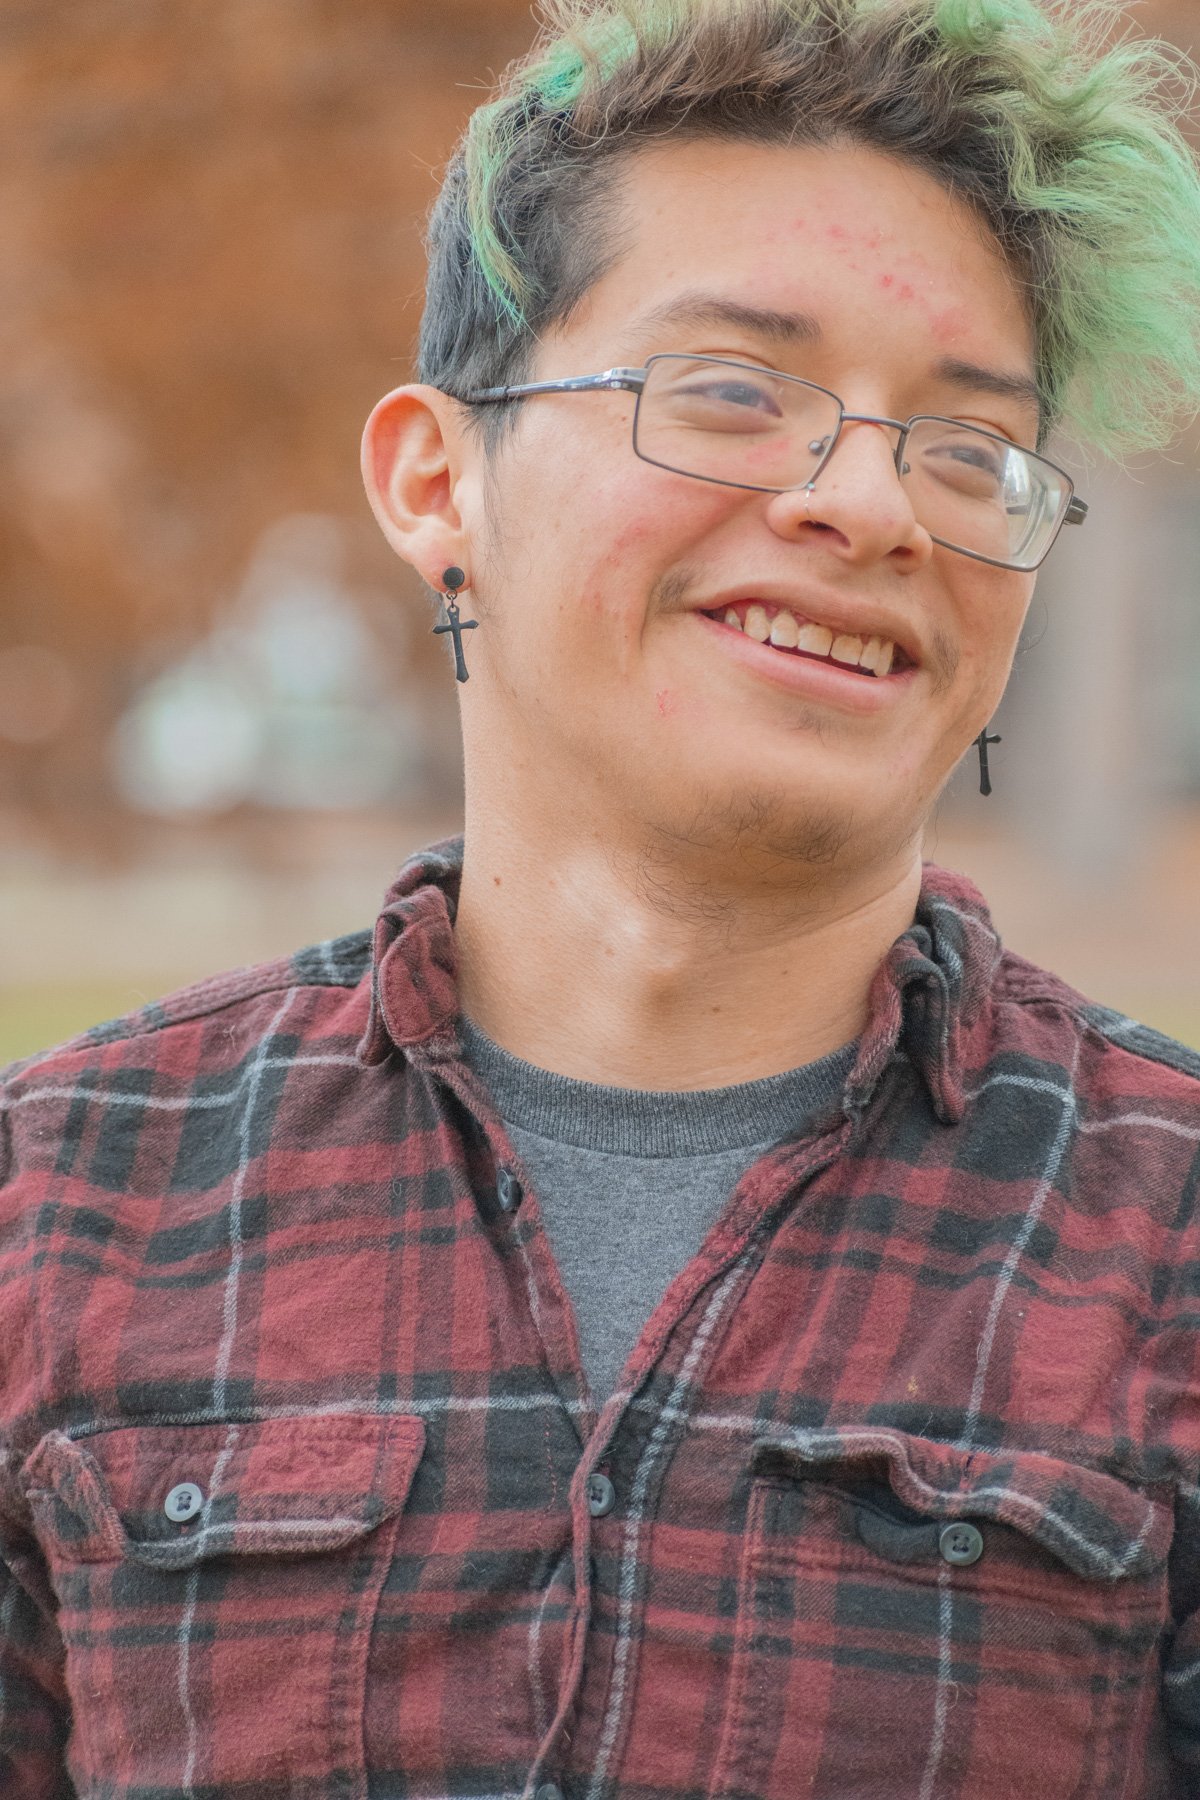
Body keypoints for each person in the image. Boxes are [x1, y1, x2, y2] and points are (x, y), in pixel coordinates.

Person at [4, 0, 1200, 1794]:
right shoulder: (58, 1203)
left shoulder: (1166, 1246)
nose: (874, 505)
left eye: (968, 449)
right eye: (733, 393)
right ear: (437, 481)